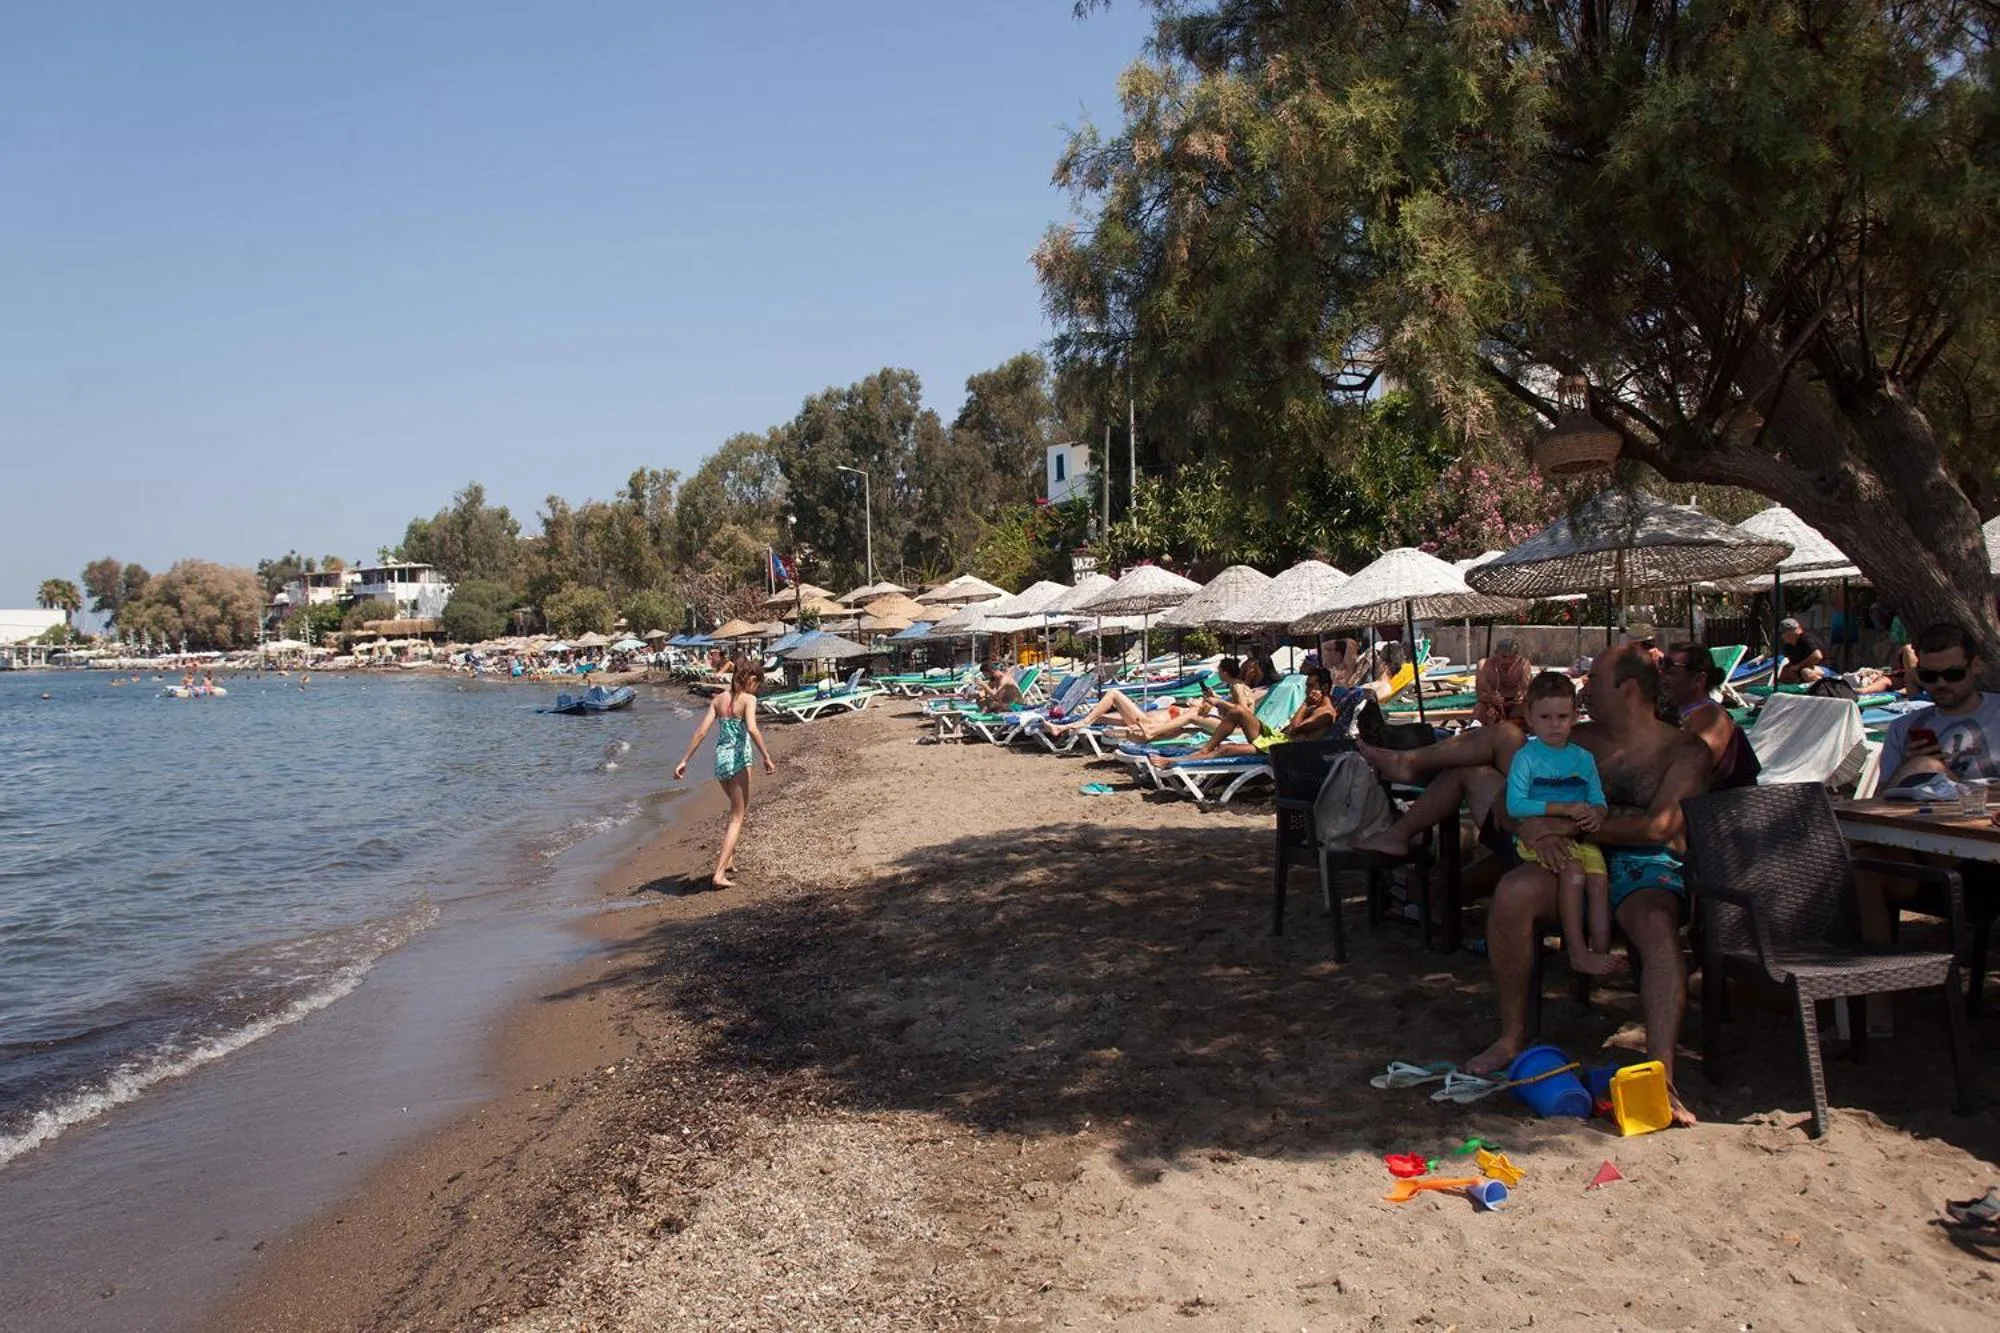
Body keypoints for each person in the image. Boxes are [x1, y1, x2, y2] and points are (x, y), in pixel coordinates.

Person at [1468, 645, 1711, 1128]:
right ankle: (1512, 1034)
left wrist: (1569, 828)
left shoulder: (1683, 750)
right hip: (1570, 859)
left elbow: (1657, 828)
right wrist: (1530, 828)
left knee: (1657, 926)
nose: (1584, 689)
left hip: (1644, 864)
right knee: (1513, 893)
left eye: (1594, 681)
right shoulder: (1570, 741)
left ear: (1628, 689)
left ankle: (1662, 1070)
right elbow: (1504, 805)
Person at [1507, 671, 1617, 976]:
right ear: (1530, 717)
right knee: (1574, 874)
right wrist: (1562, 808)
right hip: (1539, 837)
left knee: (1598, 882)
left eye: (1562, 716)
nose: (1554, 725)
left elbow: (1598, 799)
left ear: (1575, 717)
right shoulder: (1526, 758)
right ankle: (1577, 952)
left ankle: (1600, 951)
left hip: (1579, 838)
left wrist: (1597, 813)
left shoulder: (1583, 759)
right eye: (1545, 717)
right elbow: (1515, 805)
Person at [675, 659, 776, 889]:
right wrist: (767, 757)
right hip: (739, 760)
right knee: (737, 816)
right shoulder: (749, 700)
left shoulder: (718, 700)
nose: (757, 689)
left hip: (721, 760)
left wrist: (684, 760)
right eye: (757, 684)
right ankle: (719, 874)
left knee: (735, 810)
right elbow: (751, 728)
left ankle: (729, 859)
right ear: (750, 680)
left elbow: (701, 731)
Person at [1877, 623, 2000, 787]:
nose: (1941, 683)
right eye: (1929, 676)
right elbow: (1882, 798)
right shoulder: (1902, 728)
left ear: (1976, 666)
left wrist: (1935, 770)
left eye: (1953, 674)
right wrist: (1906, 768)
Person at [1662, 642, 1760, 789]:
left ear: (1699, 680)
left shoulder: (1711, 715)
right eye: (1661, 665)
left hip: (1714, 807)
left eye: (1669, 668)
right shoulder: (1675, 712)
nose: (1660, 675)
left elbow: (1690, 770)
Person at [1473, 637, 1532, 727]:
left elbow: (1527, 691)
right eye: (1504, 657)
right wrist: (1491, 699)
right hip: (1492, 705)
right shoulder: (1484, 666)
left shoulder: (1522, 665)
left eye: (1512, 657)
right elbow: (1480, 694)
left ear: (1517, 656)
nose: (1508, 661)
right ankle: (1474, 731)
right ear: (1496, 654)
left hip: (1514, 706)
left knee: (1528, 709)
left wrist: (1522, 696)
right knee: (1480, 708)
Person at [1280, 668, 1339, 742]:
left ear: (1325, 687)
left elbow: (1293, 728)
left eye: (1311, 686)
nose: (1306, 691)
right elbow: (1286, 730)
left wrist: (1305, 703)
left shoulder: (1326, 713)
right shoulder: (1313, 709)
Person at [1776, 617, 1826, 683]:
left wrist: (1798, 666)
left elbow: (1818, 656)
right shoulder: (1789, 645)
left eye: (1783, 633)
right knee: (1781, 673)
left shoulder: (1806, 639)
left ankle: (1823, 687)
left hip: (1822, 669)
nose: (1782, 636)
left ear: (1791, 631)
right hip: (1800, 669)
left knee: (1805, 672)